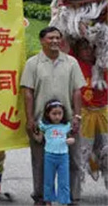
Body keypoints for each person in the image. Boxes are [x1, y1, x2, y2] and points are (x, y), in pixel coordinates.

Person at [21, 26, 85, 205]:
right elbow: (28, 92)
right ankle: (41, 197)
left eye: (58, 38)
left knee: (73, 161)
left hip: (68, 122)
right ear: (42, 41)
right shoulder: (33, 63)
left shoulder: (71, 62)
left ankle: (73, 198)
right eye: (51, 38)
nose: (55, 41)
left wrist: (77, 117)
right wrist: (30, 119)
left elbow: (77, 92)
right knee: (40, 163)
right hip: (42, 123)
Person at [72, 39, 108, 188]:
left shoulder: (103, 63)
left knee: (106, 150)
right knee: (81, 152)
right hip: (84, 113)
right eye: (83, 48)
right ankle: (75, 189)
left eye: (89, 48)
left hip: (103, 112)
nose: (87, 51)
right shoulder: (74, 63)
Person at [33, 99, 75, 205]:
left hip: (63, 157)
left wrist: (71, 140)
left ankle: (64, 201)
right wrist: (31, 131)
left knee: (64, 181)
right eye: (54, 114)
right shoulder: (45, 126)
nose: (57, 116)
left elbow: (72, 138)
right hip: (49, 156)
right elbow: (39, 139)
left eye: (60, 113)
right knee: (48, 180)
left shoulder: (66, 126)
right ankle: (48, 201)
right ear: (48, 114)